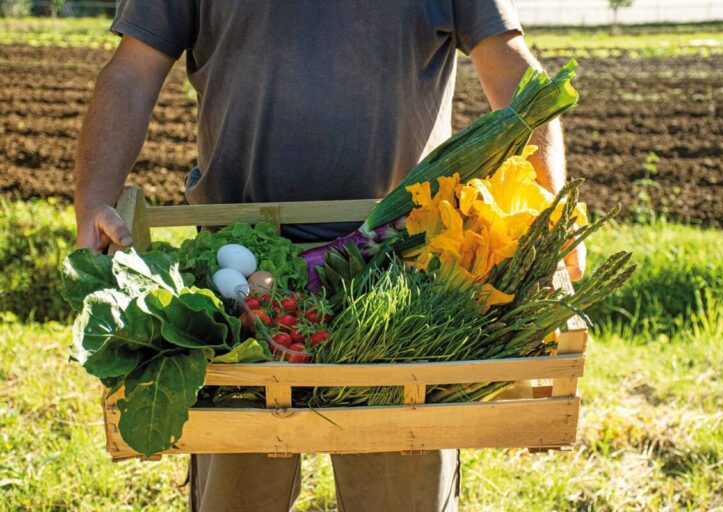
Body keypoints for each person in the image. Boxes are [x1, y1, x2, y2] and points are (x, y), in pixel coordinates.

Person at [74, 1, 585, 510]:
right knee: (237, 494)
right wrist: (94, 197)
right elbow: (131, 74)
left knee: (400, 493)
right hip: (240, 286)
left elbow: (514, 74)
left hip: (403, 279)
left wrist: (549, 218)